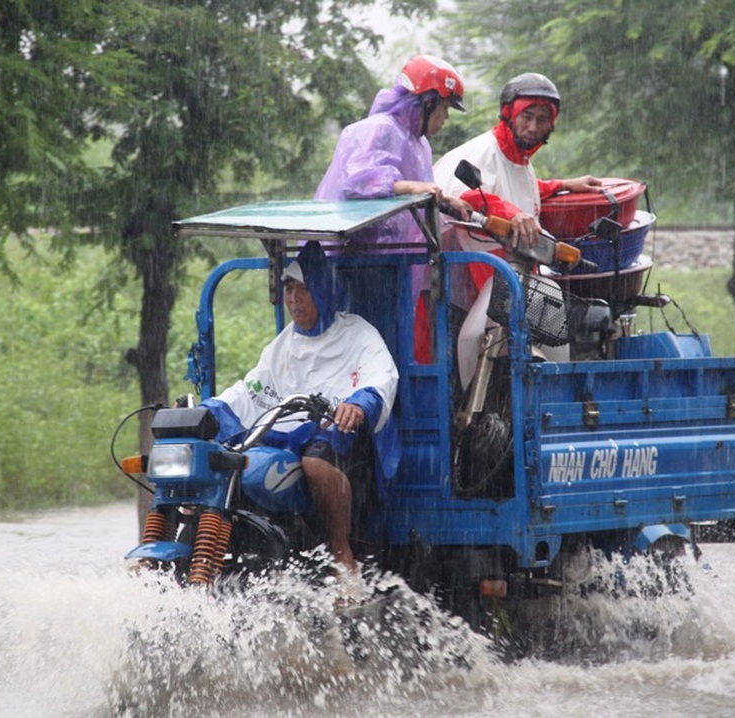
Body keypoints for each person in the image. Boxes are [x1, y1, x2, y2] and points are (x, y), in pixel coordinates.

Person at [202, 241, 399, 576]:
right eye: (289, 288)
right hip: (282, 433)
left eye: (304, 289)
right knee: (222, 461)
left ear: (323, 290)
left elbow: (381, 377)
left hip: (339, 436)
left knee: (315, 463)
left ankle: (341, 549)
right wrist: (210, 410)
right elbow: (252, 390)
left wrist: (358, 405)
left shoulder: (357, 333)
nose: (294, 299)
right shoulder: (284, 343)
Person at [434, 72, 602, 251]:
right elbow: (467, 198)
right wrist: (513, 214)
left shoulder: (518, 157)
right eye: (527, 116)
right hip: (461, 265)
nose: (533, 127)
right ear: (509, 114)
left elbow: (511, 188)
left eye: (542, 119)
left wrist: (563, 185)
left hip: (499, 262)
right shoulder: (486, 151)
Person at [315, 54, 473, 243]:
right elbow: (358, 182)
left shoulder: (419, 144)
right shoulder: (380, 128)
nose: (446, 117)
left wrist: (444, 200)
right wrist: (412, 187)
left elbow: (410, 194)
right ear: (429, 102)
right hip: (349, 252)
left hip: (388, 254)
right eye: (445, 108)